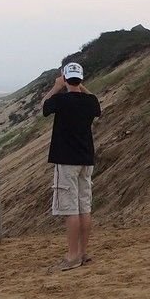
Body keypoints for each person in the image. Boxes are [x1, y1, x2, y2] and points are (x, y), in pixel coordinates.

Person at [42, 62, 102, 271]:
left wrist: (57, 86)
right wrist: (80, 87)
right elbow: (95, 103)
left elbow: (44, 106)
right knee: (84, 207)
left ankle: (72, 256)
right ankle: (83, 253)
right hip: (86, 160)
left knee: (71, 210)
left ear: (65, 78)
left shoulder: (60, 100)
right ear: (82, 79)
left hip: (67, 161)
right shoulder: (90, 102)